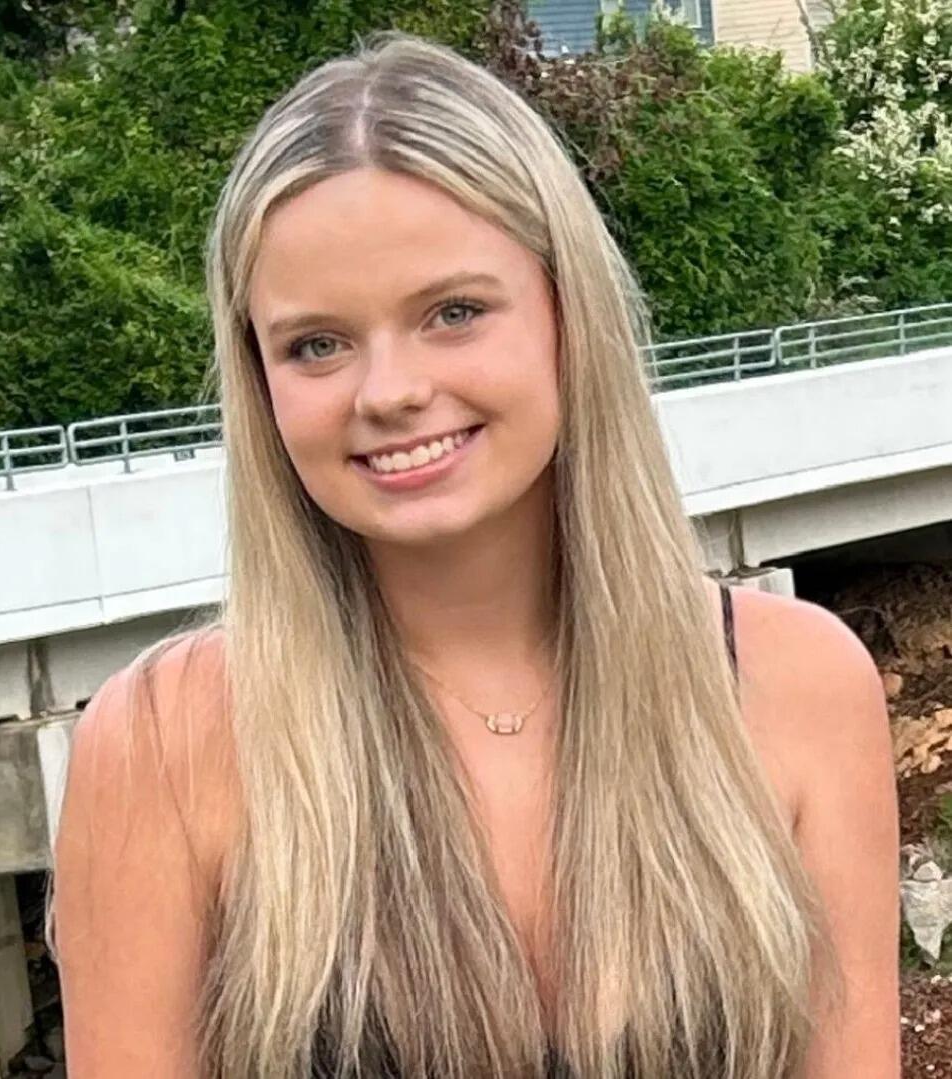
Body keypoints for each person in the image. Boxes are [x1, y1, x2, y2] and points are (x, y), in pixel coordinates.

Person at [47, 30, 901, 1079]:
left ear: (566, 315)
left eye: (452, 312)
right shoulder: (162, 745)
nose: (389, 391)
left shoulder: (799, 686)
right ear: (258, 380)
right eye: (316, 343)